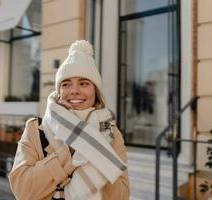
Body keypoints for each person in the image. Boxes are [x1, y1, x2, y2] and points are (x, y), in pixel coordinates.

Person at [9, 40, 130, 200]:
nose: (74, 91)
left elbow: (122, 196)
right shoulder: (36, 129)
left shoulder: (111, 133)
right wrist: (70, 150)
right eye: (66, 84)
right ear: (59, 91)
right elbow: (22, 190)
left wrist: (96, 151)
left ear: (96, 92)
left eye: (84, 83)